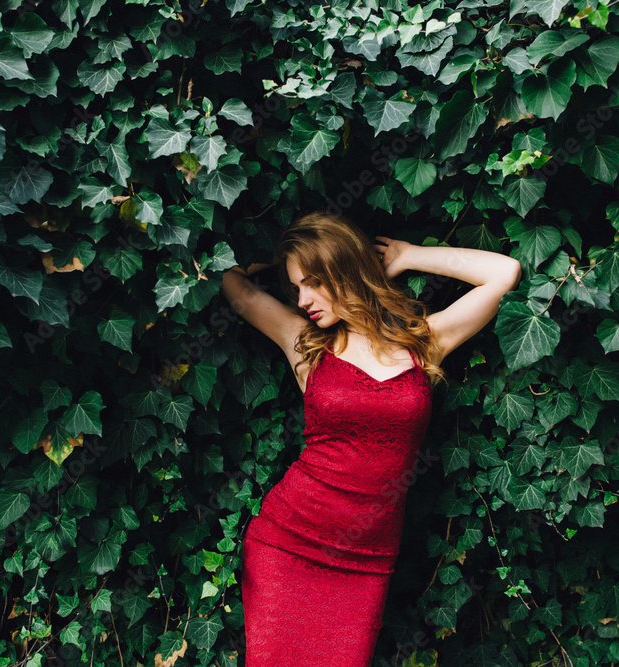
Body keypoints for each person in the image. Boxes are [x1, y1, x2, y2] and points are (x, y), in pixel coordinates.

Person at [220, 211, 522, 666]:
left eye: (314, 283)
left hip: (365, 561)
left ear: (346, 270)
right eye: (296, 287)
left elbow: (504, 273)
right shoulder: (304, 343)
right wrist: (264, 260)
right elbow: (234, 286)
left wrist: (409, 255)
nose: (303, 300)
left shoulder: (423, 342)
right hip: (288, 543)